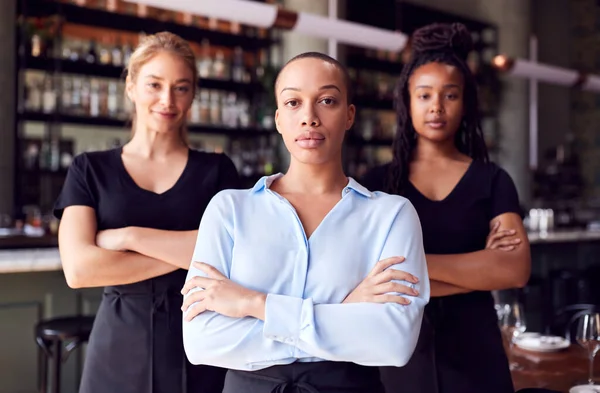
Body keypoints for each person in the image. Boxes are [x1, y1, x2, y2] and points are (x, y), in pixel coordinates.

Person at [180, 52, 430, 393]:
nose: (309, 117)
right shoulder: (228, 210)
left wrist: (254, 304)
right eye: (294, 102)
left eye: (327, 100)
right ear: (279, 118)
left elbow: (393, 342)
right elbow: (201, 341)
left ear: (349, 115)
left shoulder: (392, 216)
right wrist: (343, 312)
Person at [54, 32, 239, 393]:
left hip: (199, 343)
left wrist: (129, 237)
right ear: (131, 86)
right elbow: (79, 270)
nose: (167, 100)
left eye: (181, 88)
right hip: (118, 344)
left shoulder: (217, 171)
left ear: (193, 96)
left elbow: (236, 255)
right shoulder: (89, 169)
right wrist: (193, 252)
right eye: (154, 84)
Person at [361, 23, 531, 393]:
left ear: (466, 102)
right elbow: (357, 274)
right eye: (424, 95)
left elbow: (514, 269)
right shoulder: (376, 184)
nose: (436, 106)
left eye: (450, 95)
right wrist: (478, 267)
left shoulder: (492, 180)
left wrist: (406, 269)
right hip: (398, 356)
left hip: (477, 356)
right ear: (406, 101)